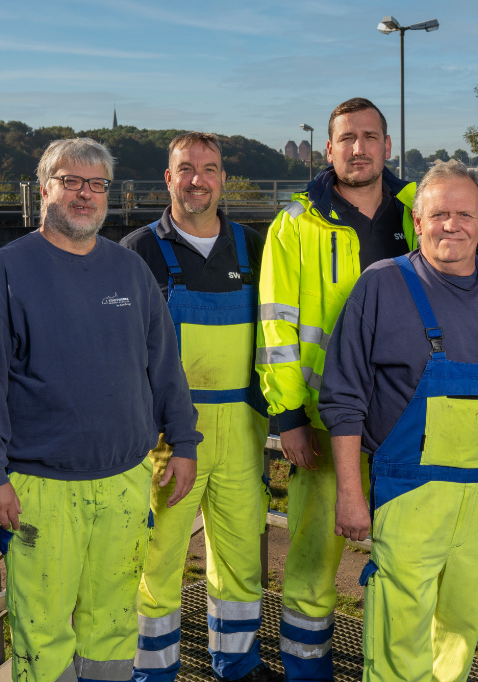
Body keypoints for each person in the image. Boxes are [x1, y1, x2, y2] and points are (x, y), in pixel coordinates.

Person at [0, 138, 202, 682]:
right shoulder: (4, 273)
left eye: (96, 184)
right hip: (38, 488)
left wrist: (184, 443)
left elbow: (165, 367)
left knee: (113, 625)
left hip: (124, 481)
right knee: (42, 632)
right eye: (70, 181)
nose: (84, 195)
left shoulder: (129, 272)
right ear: (45, 189)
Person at [323, 159, 478, 680]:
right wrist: (351, 493)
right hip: (407, 495)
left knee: (465, 626)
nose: (452, 225)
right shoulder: (380, 286)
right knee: (399, 633)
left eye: (464, 215)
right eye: (438, 214)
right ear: (417, 223)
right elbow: (343, 398)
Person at [256, 97, 417, 681]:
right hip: (324, 425)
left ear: (387, 147)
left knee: (406, 563)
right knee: (311, 559)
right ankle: (305, 671)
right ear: (329, 149)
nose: (359, 148)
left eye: (370, 137)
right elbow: (276, 326)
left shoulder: (416, 214)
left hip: (406, 426)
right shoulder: (296, 222)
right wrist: (288, 416)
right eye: (347, 138)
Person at [121, 132, 278, 682]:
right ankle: (153, 671)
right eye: (185, 169)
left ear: (222, 180)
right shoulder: (137, 251)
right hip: (167, 436)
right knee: (155, 559)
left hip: (243, 427)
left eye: (209, 169)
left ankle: (238, 663)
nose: (197, 180)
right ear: (168, 178)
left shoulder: (255, 247)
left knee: (240, 557)